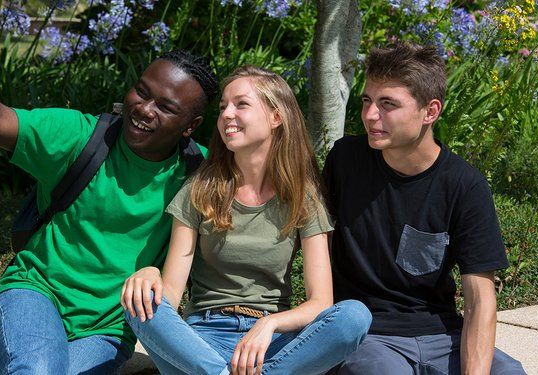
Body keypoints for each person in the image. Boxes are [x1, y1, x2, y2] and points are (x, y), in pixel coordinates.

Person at [0, 24, 219, 374]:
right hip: (34, 295)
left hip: (106, 331)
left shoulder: (199, 174)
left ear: (191, 125)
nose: (144, 109)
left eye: (165, 107)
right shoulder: (81, 136)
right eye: (141, 92)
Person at [121, 65, 372, 375]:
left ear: (276, 117)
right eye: (224, 105)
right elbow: (171, 293)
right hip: (202, 342)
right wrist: (148, 276)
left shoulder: (301, 198)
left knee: (354, 316)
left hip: (273, 344)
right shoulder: (200, 190)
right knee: (138, 300)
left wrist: (269, 324)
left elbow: (320, 302)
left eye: (241, 104)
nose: (227, 114)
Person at [322, 42, 525, 375]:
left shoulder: (464, 184)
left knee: (509, 372)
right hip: (369, 334)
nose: (370, 115)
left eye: (388, 104)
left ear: (430, 111)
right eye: (368, 100)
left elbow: (479, 299)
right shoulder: (346, 160)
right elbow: (316, 242)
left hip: (443, 334)